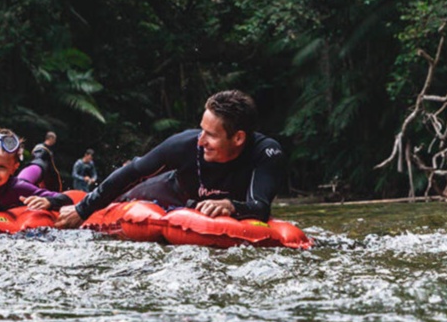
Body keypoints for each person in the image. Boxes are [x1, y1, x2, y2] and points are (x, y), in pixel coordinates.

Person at [55, 90, 286, 229]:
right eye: (201, 130)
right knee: (122, 197)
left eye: (211, 135)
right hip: (170, 191)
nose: (201, 141)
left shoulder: (265, 153)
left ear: (238, 138)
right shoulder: (184, 144)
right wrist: (82, 210)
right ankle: (60, 199)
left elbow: (260, 207)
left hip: (200, 206)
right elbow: (132, 172)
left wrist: (231, 205)